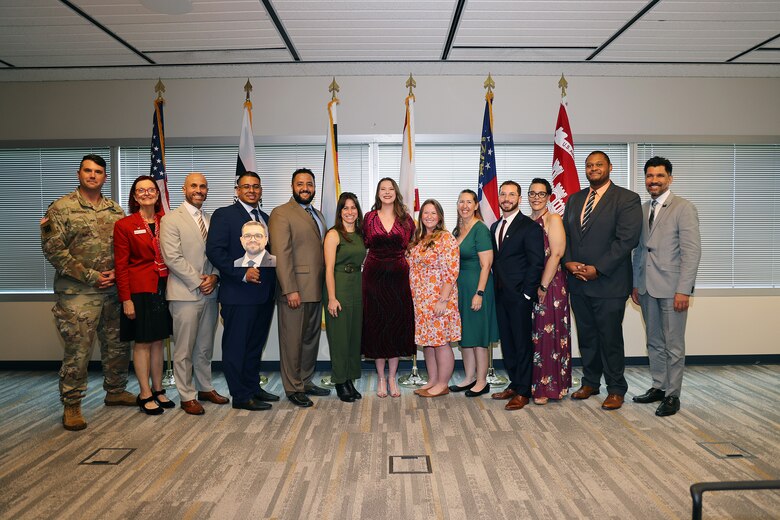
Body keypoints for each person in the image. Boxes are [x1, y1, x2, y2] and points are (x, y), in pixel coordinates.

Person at [41, 154, 136, 431]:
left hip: (113, 291)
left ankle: (115, 390)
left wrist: (118, 274)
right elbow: (54, 251)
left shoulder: (115, 211)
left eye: (98, 172)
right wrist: (92, 276)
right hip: (78, 293)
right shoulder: (61, 208)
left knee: (117, 345)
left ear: (105, 177)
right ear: (79, 174)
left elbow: (125, 249)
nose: (92, 175)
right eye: (87, 171)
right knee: (78, 350)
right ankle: (72, 404)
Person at [562, 150, 642, 411]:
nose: (593, 168)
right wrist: (568, 262)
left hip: (608, 283)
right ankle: (590, 382)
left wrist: (598, 268)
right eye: (589, 165)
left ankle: (616, 388)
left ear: (609, 167)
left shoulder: (627, 199)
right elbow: (568, 236)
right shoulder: (575, 199)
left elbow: (626, 241)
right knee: (587, 336)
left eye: (599, 164)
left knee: (610, 338)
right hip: (578, 282)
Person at [631, 156, 701, 417]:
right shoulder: (641, 208)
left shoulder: (683, 208)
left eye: (660, 176)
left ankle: (673, 395)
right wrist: (636, 284)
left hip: (673, 290)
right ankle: (658, 386)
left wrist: (684, 289)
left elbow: (691, 252)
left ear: (670, 178)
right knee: (654, 341)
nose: (654, 181)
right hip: (647, 288)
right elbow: (639, 250)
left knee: (673, 344)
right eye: (650, 176)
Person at [206, 172, 278, 411]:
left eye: (256, 187)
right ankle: (240, 396)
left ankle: (252, 387)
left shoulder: (266, 218)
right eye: (246, 186)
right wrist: (242, 273)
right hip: (239, 293)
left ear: (261, 190)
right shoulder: (224, 215)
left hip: (264, 295)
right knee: (237, 346)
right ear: (237, 190)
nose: (251, 190)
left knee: (255, 345)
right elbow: (215, 252)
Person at [160, 173, 227, 416]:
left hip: (210, 292)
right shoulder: (171, 220)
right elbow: (172, 257)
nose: (199, 190)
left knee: (204, 347)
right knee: (184, 349)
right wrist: (200, 281)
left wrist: (215, 277)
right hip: (185, 293)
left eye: (203, 186)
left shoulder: (210, 220)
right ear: (184, 189)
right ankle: (186, 395)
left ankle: (205, 387)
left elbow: (219, 254)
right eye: (194, 186)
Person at [269, 168, 330, 408]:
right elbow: (281, 254)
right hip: (295, 290)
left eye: (309, 184)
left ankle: (305, 380)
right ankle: (293, 387)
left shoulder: (318, 214)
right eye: (300, 184)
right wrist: (289, 289)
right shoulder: (281, 213)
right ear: (292, 187)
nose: (305, 188)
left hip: (316, 288)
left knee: (309, 339)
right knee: (292, 341)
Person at [114, 175, 174, 415]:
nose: (147, 193)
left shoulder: (166, 221)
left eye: (151, 189)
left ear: (158, 194)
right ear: (135, 196)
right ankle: (144, 392)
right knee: (142, 343)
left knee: (159, 341)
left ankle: (158, 389)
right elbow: (121, 265)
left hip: (163, 287)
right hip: (139, 290)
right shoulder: (124, 225)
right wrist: (126, 299)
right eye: (141, 190)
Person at [489, 181, 545, 411]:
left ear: (519, 198)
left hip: (520, 296)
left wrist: (526, 293)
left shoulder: (529, 227)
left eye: (512, 194)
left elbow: (536, 262)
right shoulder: (494, 226)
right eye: (503, 194)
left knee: (522, 344)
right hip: (500, 295)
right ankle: (514, 383)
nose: (506, 198)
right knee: (508, 343)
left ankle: (523, 391)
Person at [361, 178, 416, 398]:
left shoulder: (406, 219)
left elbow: (411, 244)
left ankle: (392, 378)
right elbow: (365, 243)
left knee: (394, 327)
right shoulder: (369, 217)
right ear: (377, 193)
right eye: (382, 189)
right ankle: (381, 379)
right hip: (373, 279)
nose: (386, 192)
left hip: (398, 280)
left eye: (390, 189)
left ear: (396, 193)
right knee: (377, 327)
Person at [408, 199, 461, 397]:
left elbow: (451, 271)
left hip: (439, 299)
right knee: (428, 343)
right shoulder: (418, 238)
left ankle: (442, 383)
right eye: (425, 213)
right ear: (421, 216)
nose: (429, 216)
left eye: (433, 213)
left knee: (441, 342)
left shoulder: (445, 238)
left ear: (439, 217)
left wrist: (443, 300)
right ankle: (432, 380)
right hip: (420, 301)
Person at [449, 189, 499, 398]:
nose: (465, 206)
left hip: (478, 288)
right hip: (460, 290)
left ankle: (481, 380)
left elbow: (486, 264)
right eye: (461, 202)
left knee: (478, 336)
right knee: (466, 335)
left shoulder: (480, 229)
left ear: (476, 205)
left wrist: (479, 292)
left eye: (469, 202)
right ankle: (469, 377)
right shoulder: (456, 230)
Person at [527, 178, 572, 405]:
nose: (536, 198)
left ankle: (551, 386)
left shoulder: (553, 219)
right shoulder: (527, 221)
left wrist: (543, 286)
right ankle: (536, 384)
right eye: (532, 193)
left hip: (551, 286)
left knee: (548, 334)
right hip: (533, 285)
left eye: (541, 194)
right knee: (535, 335)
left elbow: (556, 254)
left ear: (549, 196)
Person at [323, 193, 367, 403]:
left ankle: (350, 378)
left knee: (353, 337)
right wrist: (332, 297)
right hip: (338, 286)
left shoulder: (360, 234)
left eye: (353, 208)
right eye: (345, 208)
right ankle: (340, 381)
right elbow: (329, 268)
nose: (350, 212)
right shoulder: (333, 234)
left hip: (356, 286)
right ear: (340, 212)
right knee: (339, 337)